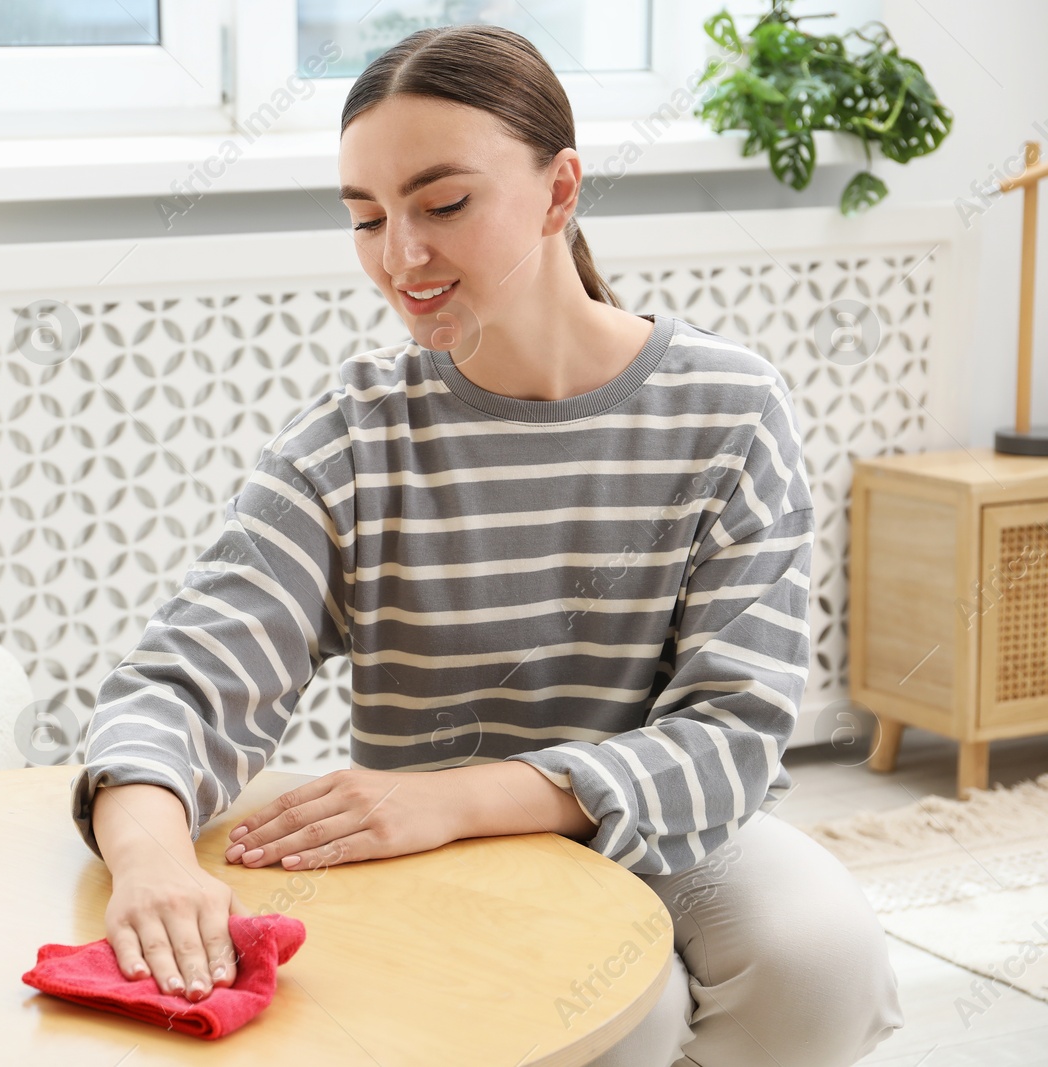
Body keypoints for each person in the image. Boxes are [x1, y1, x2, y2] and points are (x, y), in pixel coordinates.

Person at [68, 24, 903, 1066]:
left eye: (444, 204)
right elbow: (183, 679)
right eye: (367, 218)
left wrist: (457, 792)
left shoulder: (728, 408)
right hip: (435, 856)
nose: (400, 255)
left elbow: (732, 734)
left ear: (559, 192)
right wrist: (150, 857)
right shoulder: (357, 434)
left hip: (668, 826)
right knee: (619, 1013)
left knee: (818, 956)